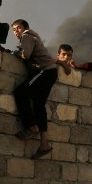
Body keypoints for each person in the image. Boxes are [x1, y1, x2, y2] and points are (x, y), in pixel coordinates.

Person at [12, 19, 66, 159]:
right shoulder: (34, 36)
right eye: (13, 30)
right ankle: (44, 143)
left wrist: (16, 54)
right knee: (38, 104)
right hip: (50, 72)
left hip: (45, 72)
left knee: (20, 92)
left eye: (18, 28)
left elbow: (26, 54)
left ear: (24, 28)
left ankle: (31, 126)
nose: (15, 31)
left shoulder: (26, 36)